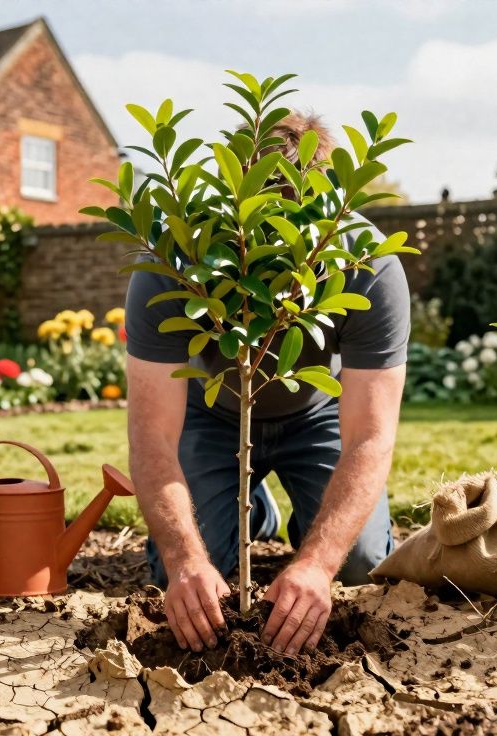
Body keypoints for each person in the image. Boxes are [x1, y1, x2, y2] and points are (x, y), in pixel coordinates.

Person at [123, 111, 411, 656]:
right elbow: (151, 435)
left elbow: (371, 437)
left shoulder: (367, 263)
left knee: (360, 565)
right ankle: (252, 508)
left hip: (317, 413)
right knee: (182, 575)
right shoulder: (171, 259)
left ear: (323, 210)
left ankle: (304, 516)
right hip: (209, 413)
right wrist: (188, 561)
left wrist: (316, 564)